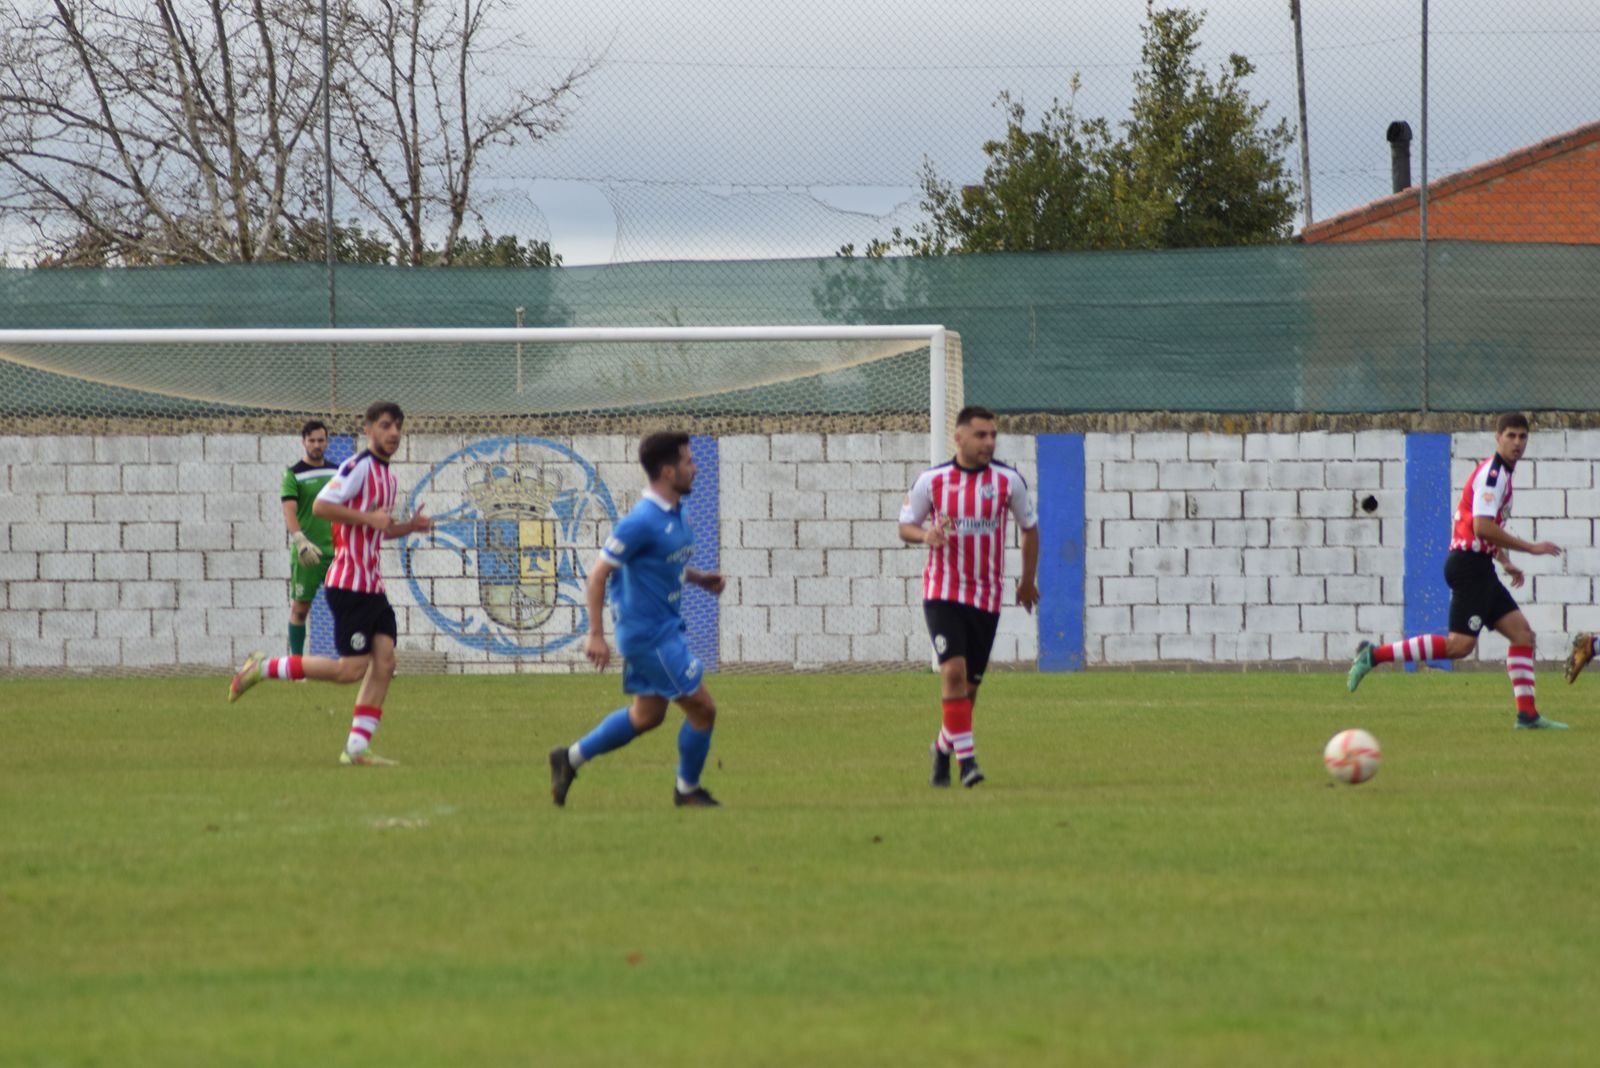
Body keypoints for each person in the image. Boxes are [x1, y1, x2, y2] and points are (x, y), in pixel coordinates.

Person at [228, 401, 432, 764]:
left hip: (373, 587)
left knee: (384, 663)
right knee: (349, 671)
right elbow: (322, 506)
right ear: (368, 430)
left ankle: (356, 748)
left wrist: (407, 527)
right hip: (349, 585)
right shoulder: (357, 467)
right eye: (385, 426)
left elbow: (375, 531)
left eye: (398, 426)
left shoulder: (388, 477)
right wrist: (369, 517)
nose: (394, 433)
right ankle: (264, 667)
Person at [1347, 412, 1566, 729]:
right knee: (1459, 646)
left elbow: (1487, 525)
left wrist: (1504, 561)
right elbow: (1481, 527)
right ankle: (1373, 655)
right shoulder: (1494, 475)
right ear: (1498, 437)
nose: (1517, 443)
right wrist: (1529, 547)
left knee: (1522, 634)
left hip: (1480, 567)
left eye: (1522, 437)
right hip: (1469, 568)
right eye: (1511, 436)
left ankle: (1528, 716)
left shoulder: (1501, 473)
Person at [548, 431, 726, 808]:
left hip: (664, 630)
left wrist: (698, 577)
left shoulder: (675, 513)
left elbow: (662, 562)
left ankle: (570, 758)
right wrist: (595, 634)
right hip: (650, 637)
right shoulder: (640, 521)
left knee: (646, 716)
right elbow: (598, 575)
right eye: (689, 462)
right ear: (667, 471)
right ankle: (687, 790)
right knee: (703, 709)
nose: (695, 468)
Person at [898, 405, 1039, 787]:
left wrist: (1027, 581)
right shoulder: (933, 480)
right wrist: (927, 535)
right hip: (942, 592)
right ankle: (969, 763)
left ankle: (943, 748)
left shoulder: (1009, 481)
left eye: (993, 435)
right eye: (981, 435)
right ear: (959, 438)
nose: (989, 442)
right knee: (953, 673)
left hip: (986, 597)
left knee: (968, 693)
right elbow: (906, 526)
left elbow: (1029, 529)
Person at [281, 419, 337, 656]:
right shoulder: (293, 474)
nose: (316, 445)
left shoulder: (337, 472)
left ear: (327, 442)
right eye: (312, 440)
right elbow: (289, 511)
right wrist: (300, 540)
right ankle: (296, 664)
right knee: (301, 608)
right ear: (303, 442)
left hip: (337, 552)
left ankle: (362, 661)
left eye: (320, 440)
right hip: (308, 552)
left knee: (353, 606)